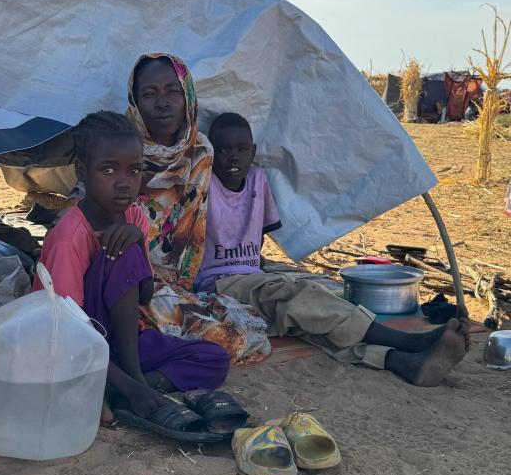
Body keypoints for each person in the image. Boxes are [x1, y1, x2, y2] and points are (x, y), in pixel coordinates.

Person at [200, 111, 470, 387]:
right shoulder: (203, 185)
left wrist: (259, 269)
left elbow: (258, 238)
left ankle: (395, 360)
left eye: (241, 149)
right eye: (222, 150)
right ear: (210, 152)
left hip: (253, 270)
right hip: (219, 281)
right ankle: (408, 342)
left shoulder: (258, 180)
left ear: (253, 151)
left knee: (309, 307)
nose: (233, 157)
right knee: (296, 296)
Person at [37, 111, 233, 435]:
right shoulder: (68, 238)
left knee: (213, 358)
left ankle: (120, 386)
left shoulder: (135, 216)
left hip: (123, 342)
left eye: (135, 169)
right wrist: (133, 386)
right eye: (108, 169)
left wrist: (138, 239)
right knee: (122, 253)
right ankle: (129, 384)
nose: (124, 181)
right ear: (82, 172)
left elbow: (143, 295)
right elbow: (66, 333)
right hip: (74, 347)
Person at [125, 54, 271, 364]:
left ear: (188, 97)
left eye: (172, 92)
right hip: (122, 278)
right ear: (135, 99)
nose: (162, 102)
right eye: (149, 93)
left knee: (243, 327)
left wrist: (182, 292)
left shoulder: (201, 151)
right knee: (217, 339)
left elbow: (193, 231)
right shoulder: (120, 145)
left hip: (170, 284)